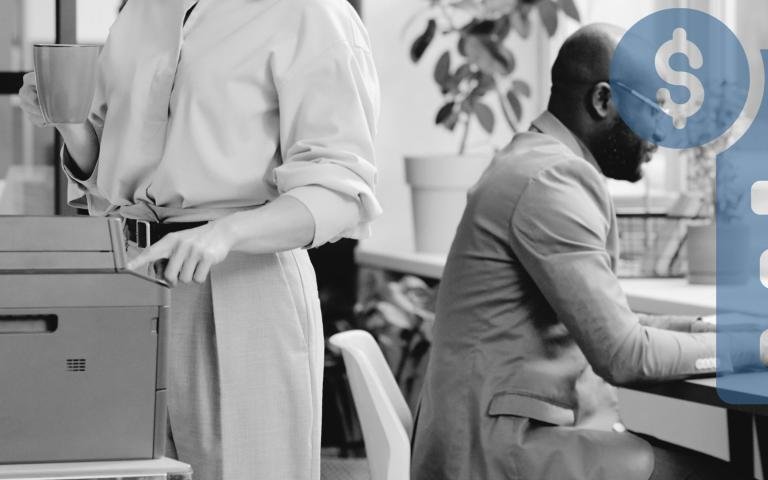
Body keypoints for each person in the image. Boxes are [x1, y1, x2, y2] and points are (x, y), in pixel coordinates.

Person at [18, 0, 381, 478]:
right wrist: (65, 118)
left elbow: (340, 188)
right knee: (119, 465)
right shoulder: (139, 12)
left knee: (238, 468)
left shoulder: (309, 12)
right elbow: (105, 170)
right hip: (129, 278)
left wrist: (225, 233)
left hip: (240, 283)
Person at [410, 24, 760, 480]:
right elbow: (624, 354)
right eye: (657, 111)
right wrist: (753, 347)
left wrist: (716, 328)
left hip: (493, 433)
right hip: (496, 453)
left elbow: (614, 322)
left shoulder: (535, 161)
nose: (663, 136)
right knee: (726, 474)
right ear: (603, 101)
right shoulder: (550, 180)